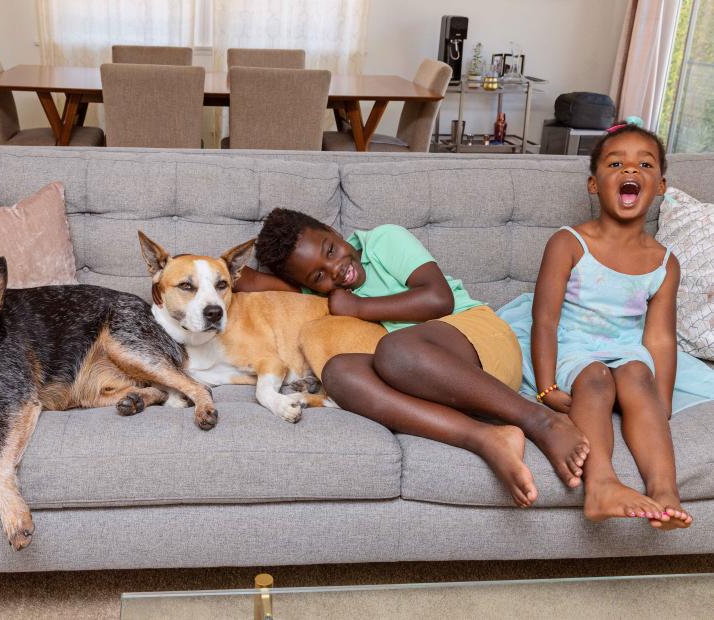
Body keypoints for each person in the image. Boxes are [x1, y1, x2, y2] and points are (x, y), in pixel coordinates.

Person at [235, 209, 590, 509]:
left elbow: (439, 299)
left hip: (476, 340)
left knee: (394, 350)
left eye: (331, 250)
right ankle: (485, 438)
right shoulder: (323, 291)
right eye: (318, 276)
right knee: (339, 371)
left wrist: (358, 306)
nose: (335, 270)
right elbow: (259, 283)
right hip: (423, 378)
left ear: (333, 231)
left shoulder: (383, 241)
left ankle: (542, 421)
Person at [498, 119, 714, 529]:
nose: (630, 171)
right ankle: (601, 485)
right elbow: (544, 320)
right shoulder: (569, 243)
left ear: (661, 186)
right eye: (616, 164)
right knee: (596, 378)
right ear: (594, 185)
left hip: (626, 347)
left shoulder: (665, 262)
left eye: (645, 165)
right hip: (572, 345)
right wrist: (546, 388)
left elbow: (661, 339)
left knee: (636, 374)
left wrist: (661, 399)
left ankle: (665, 491)